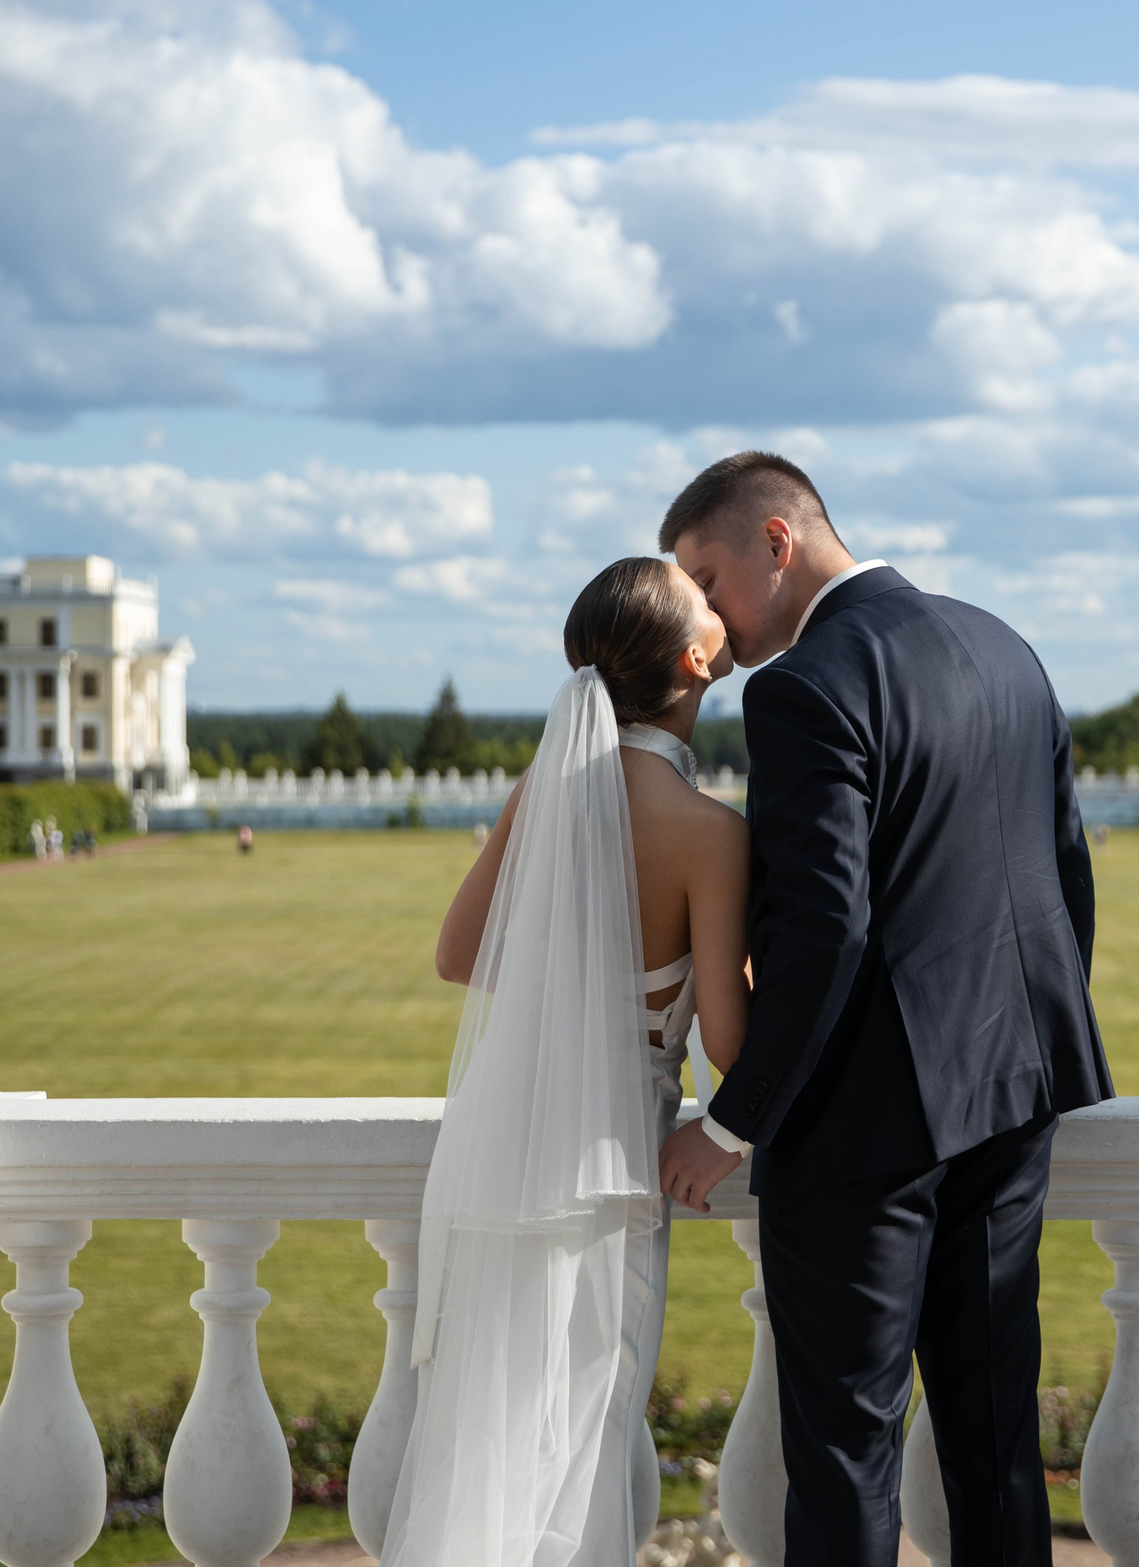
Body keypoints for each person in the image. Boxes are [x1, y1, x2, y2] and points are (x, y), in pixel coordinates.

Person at [655, 452, 1109, 1567]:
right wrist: (1022, 1049)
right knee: (994, 1437)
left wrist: (730, 1123)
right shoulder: (1005, 646)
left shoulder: (802, 688)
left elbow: (823, 933)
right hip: (1015, 1097)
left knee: (847, 1459)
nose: (704, 620)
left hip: (866, 1136)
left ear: (776, 540)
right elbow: (1066, 877)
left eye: (707, 579)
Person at [383, 557, 750, 1567]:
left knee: (494, 1427)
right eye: (705, 606)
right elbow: (729, 1042)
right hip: (612, 1160)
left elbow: (460, 955)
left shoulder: (544, 793)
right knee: (585, 1430)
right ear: (695, 659)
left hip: (508, 1145)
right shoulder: (712, 833)